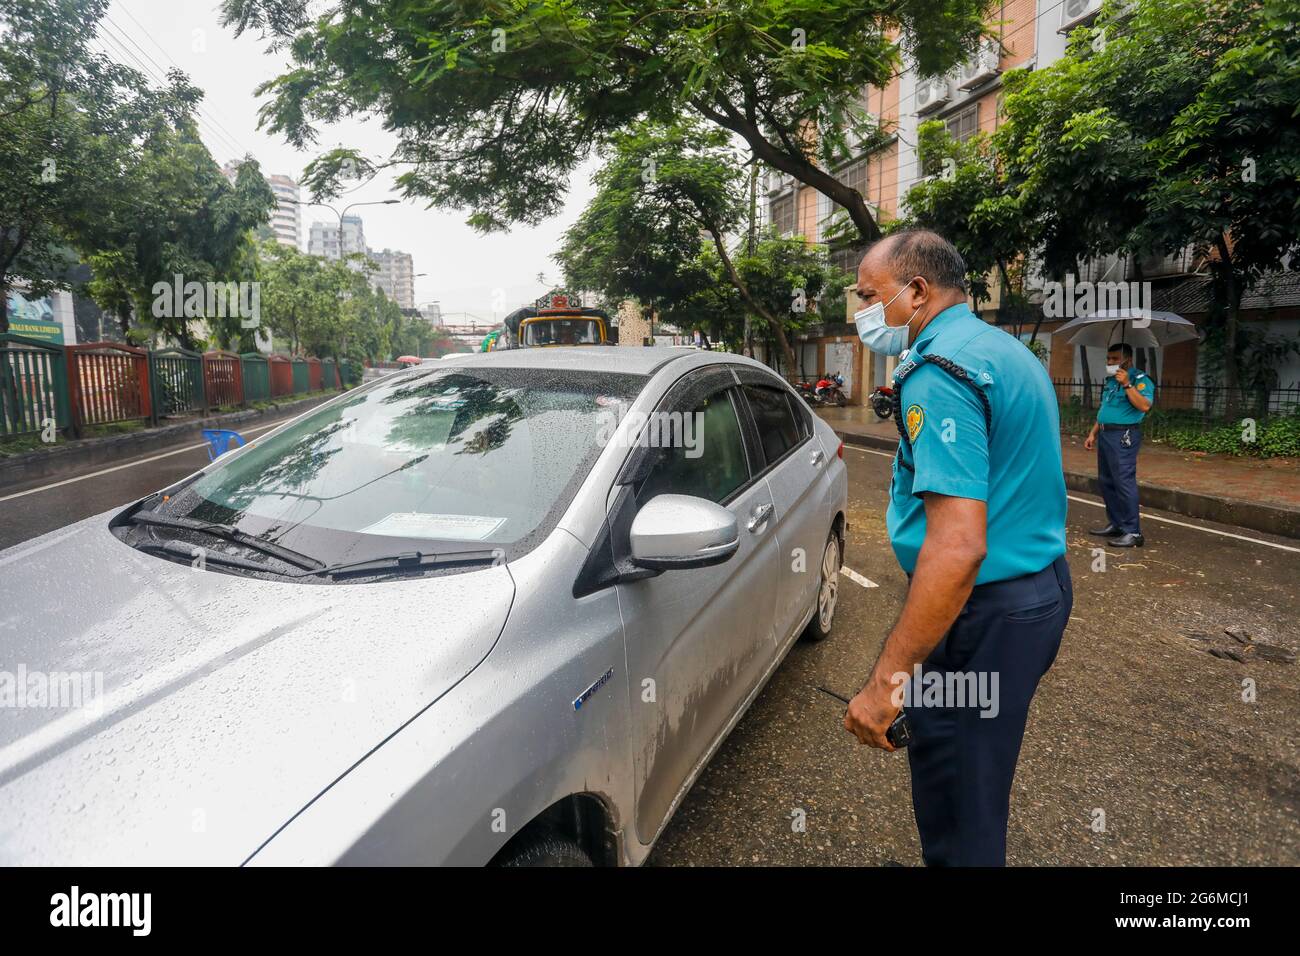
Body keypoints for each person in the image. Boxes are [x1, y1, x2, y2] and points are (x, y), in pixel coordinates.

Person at [842, 229, 1072, 867]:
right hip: (1039, 592)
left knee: (958, 798)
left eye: (869, 296)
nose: (862, 312)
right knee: (981, 773)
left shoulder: (938, 372)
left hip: (982, 613)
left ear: (916, 292)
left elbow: (958, 546)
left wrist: (886, 686)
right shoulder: (1001, 349)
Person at [1084, 342, 1153, 547]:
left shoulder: (1140, 379)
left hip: (1124, 435)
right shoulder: (1111, 381)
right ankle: (1117, 523)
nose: (1110, 362)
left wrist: (1127, 384)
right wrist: (1093, 433)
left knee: (1123, 481)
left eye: (1114, 359)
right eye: (1108, 359)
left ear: (1127, 359)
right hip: (1106, 433)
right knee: (1107, 481)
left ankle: (1133, 532)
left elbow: (1144, 405)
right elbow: (1105, 409)